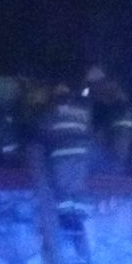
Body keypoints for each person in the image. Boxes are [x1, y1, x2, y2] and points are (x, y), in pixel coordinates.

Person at [38, 83, 93, 214]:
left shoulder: (51, 113)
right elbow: (89, 132)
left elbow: (43, 134)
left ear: (54, 98)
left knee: (62, 187)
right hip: (81, 155)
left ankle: (66, 215)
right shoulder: (82, 113)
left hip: (60, 156)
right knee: (78, 185)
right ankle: (81, 213)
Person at [84, 65, 132, 173]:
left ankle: (117, 169)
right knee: (101, 142)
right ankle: (104, 167)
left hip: (121, 120)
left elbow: (115, 104)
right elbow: (84, 96)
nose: (92, 85)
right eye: (90, 83)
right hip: (107, 120)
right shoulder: (90, 89)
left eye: (93, 83)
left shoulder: (109, 87)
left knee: (120, 146)